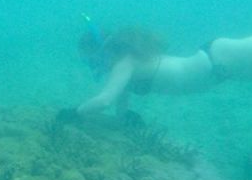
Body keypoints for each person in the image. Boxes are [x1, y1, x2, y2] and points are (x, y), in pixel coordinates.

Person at [66, 22, 252, 121]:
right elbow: (120, 103)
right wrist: (125, 118)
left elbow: (105, 100)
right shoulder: (126, 65)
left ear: (102, 50)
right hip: (218, 67)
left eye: (91, 60)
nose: (93, 65)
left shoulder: (125, 64)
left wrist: (76, 112)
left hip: (217, 60)